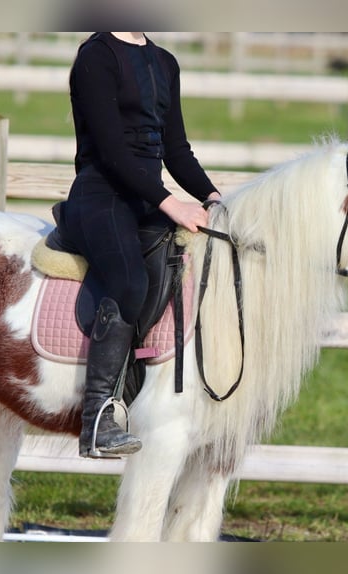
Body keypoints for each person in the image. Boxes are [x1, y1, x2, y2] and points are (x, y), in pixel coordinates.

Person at [53, 32, 221, 458]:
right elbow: (111, 151)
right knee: (129, 280)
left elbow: (177, 151)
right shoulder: (97, 56)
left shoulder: (165, 62)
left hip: (146, 197)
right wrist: (170, 203)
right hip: (100, 194)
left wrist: (214, 198)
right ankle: (98, 418)